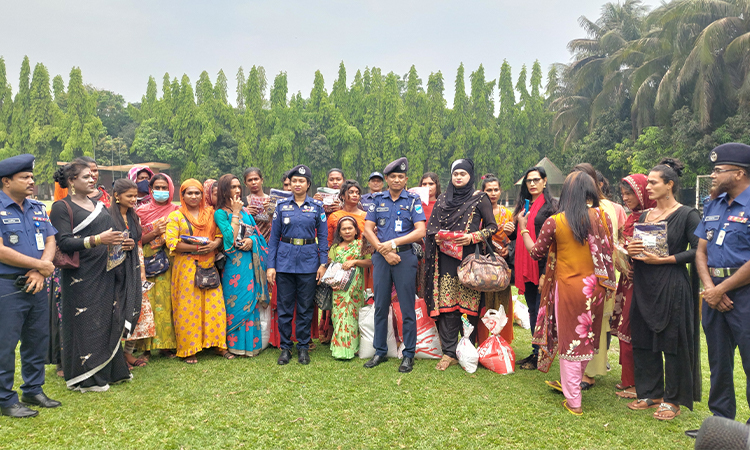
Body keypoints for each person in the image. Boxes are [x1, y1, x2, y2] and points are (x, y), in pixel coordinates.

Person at [519, 171, 615, 415]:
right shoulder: (602, 217)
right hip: (596, 289)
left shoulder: (556, 221)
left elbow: (536, 253)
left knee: (570, 342)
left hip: (570, 289)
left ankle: (574, 401)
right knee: (586, 338)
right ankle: (574, 388)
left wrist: (524, 230)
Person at [626, 158, 701, 421]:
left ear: (669, 185)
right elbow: (640, 248)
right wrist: (631, 250)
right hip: (645, 284)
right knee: (644, 339)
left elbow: (699, 250)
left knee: (673, 341)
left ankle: (673, 399)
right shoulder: (646, 216)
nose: (647, 187)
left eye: (653, 183)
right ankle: (650, 393)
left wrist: (667, 259)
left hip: (672, 284)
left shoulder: (688, 214)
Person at [51, 160, 135, 392]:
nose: (92, 180)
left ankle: (110, 370)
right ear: (71, 181)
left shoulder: (99, 205)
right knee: (83, 322)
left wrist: (123, 244)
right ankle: (85, 376)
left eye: (92, 176)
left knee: (106, 318)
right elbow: (64, 242)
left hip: (105, 270)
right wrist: (97, 240)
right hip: (79, 274)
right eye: (86, 177)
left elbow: (109, 237)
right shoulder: (62, 207)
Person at [690, 143, 750, 436]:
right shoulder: (714, 204)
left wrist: (720, 289)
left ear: (739, 173)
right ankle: (720, 426)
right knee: (718, 362)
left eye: (718, 170)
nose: (712, 175)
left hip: (745, 295)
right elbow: (701, 250)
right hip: (713, 293)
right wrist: (710, 288)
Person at [0, 154, 60, 418]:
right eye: (24, 177)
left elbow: (50, 240)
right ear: (6, 181)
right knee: (5, 343)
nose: (31, 182)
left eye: (32, 177)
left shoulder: (37, 207)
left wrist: (41, 269)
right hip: (8, 287)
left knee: (36, 339)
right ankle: (4, 398)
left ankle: (33, 389)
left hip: (37, 284)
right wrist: (39, 267)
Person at [424, 159, 497, 371]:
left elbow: (492, 226)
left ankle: (467, 347)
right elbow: (431, 228)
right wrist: (437, 237)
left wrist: (474, 237)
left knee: (469, 306)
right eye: (455, 173)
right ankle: (449, 352)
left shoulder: (479, 198)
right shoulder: (442, 200)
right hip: (445, 260)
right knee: (447, 306)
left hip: (469, 260)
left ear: (470, 176)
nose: (458, 177)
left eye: (462, 174)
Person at [363, 157, 426, 373]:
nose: (397, 180)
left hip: (404, 258)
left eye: (401, 176)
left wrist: (392, 244)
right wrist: (383, 249)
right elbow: (368, 229)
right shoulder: (377, 200)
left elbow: (420, 231)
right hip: (381, 259)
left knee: (407, 307)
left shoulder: (412, 200)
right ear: (387, 179)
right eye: (393, 177)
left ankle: (408, 354)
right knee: (380, 306)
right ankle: (379, 350)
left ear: (406, 179)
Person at [572, 163, 627, 389]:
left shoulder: (612, 208)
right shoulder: (572, 207)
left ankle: (591, 371)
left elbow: (620, 239)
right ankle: (580, 367)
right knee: (582, 321)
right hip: (579, 272)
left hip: (602, 272)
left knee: (598, 321)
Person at [267, 165, 328, 365]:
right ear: (290, 184)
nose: (297, 184)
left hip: (309, 263)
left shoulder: (317, 208)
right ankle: (285, 348)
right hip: (284, 262)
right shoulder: (281, 206)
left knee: (304, 307)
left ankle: (303, 347)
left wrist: (323, 263)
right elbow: (274, 239)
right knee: (285, 307)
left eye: (301, 181)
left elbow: (324, 238)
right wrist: (271, 265)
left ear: (308, 184)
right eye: (294, 181)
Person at [165, 179, 231, 364]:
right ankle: (189, 348)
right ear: (182, 195)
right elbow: (171, 242)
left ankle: (218, 344)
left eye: (197, 193)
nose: (194, 196)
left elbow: (219, 234)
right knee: (188, 308)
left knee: (214, 306)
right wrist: (196, 248)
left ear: (203, 195)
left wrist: (215, 244)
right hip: (186, 266)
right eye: (189, 193)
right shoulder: (175, 216)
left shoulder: (211, 214)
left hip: (209, 264)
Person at [610, 174, 655, 399]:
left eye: (630, 193)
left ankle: (636, 383)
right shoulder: (631, 217)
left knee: (632, 329)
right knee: (623, 328)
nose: (625, 198)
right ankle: (628, 379)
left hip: (642, 282)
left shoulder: (651, 217)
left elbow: (653, 251)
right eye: (624, 193)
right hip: (626, 279)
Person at [215, 174, 269, 357]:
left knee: (251, 300)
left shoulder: (247, 212)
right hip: (233, 264)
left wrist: (251, 241)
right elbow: (229, 241)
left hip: (250, 262)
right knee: (235, 302)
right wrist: (236, 213)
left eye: (238, 186)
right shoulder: (221, 213)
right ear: (224, 190)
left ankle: (251, 346)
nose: (237, 190)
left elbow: (259, 236)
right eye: (232, 187)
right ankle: (234, 345)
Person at [511, 166, 557, 370]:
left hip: (541, 266)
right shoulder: (524, 205)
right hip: (525, 264)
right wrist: (511, 230)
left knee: (541, 311)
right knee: (532, 309)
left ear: (544, 181)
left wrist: (545, 273)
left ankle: (542, 353)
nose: (532, 184)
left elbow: (552, 243)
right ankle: (535, 351)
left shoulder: (551, 207)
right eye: (528, 181)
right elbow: (518, 235)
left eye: (536, 180)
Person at [109, 179, 154, 369]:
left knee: (138, 309)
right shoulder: (106, 216)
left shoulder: (134, 216)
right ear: (117, 196)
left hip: (135, 266)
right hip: (113, 270)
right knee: (117, 311)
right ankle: (116, 355)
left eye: (136, 196)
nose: (134, 199)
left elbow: (139, 242)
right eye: (129, 196)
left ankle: (128, 353)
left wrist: (141, 271)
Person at [136, 173, 179, 358]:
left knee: (167, 301)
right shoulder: (140, 211)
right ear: (150, 190)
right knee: (148, 302)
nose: (161, 191)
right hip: (147, 259)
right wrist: (154, 233)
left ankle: (166, 345)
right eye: (157, 188)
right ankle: (145, 347)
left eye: (164, 188)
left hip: (170, 259)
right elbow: (137, 239)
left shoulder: (177, 210)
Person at [477, 173, 515, 345]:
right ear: (483, 192)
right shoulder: (477, 213)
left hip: (501, 265)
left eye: (495, 190)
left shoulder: (507, 213)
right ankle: (484, 339)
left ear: (500, 191)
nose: (492, 193)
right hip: (482, 264)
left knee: (502, 300)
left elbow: (514, 239)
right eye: (489, 190)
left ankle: (502, 340)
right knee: (483, 301)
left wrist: (509, 246)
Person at [328, 216, 372, 359]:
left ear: (355, 231)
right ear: (339, 233)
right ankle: (341, 348)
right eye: (344, 229)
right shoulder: (335, 248)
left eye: (350, 228)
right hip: (338, 287)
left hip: (356, 287)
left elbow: (370, 262)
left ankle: (354, 347)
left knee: (353, 314)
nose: (347, 231)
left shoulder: (361, 245)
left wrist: (355, 261)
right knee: (339, 315)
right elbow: (330, 265)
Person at [244, 167, 274, 242]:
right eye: (250, 180)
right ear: (245, 183)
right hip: (250, 243)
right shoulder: (242, 202)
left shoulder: (271, 201)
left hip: (269, 243)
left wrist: (271, 212)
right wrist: (245, 212)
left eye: (256, 179)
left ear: (262, 180)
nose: (253, 182)